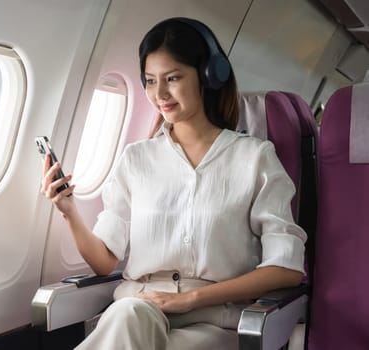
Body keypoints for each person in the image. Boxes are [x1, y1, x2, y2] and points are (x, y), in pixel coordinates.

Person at [40, 17, 307, 350]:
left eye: (173, 78)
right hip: (139, 306)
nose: (159, 94)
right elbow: (105, 260)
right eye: (150, 81)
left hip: (213, 319)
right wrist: (68, 211)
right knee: (128, 316)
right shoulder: (136, 159)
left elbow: (285, 270)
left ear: (210, 76)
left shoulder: (255, 158)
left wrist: (192, 298)